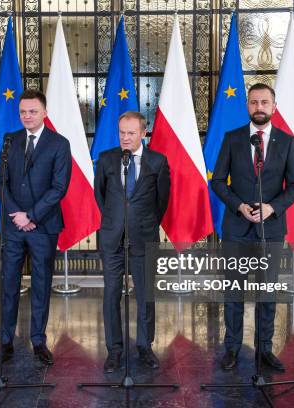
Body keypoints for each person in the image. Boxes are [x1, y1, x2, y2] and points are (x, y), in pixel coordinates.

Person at [211, 83, 294, 372]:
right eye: (254, 102)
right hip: (237, 228)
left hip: (271, 230)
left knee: (267, 292)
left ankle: (265, 349)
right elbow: (217, 182)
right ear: (247, 106)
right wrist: (239, 205)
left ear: (274, 107)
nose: (259, 107)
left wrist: (271, 208)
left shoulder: (287, 142)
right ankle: (233, 348)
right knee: (234, 292)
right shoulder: (232, 138)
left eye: (264, 102)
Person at [0, 89, 72, 366]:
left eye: (33, 111)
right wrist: (17, 214)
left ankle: (38, 341)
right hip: (14, 226)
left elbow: (59, 188)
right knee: (8, 284)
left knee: (41, 284)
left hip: (43, 226)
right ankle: (5, 342)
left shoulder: (59, 144)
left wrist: (32, 216)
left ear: (44, 113)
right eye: (23, 112)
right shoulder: (9, 140)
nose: (27, 116)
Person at [94, 111, 171, 373]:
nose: (125, 138)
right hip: (112, 239)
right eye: (122, 133)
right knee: (111, 295)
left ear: (143, 133)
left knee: (145, 296)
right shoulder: (106, 159)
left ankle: (144, 347)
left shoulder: (158, 162)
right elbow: (100, 197)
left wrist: (142, 223)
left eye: (131, 133)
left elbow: (161, 202)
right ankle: (114, 350)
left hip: (144, 237)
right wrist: (117, 222)